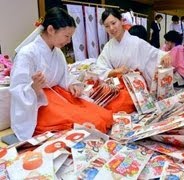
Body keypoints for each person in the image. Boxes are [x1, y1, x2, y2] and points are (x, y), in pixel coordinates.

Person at [10, 7, 113, 141]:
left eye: (70, 37)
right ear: (51, 30)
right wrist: (34, 88)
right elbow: (17, 90)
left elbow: (64, 77)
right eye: (66, 36)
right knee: (91, 123)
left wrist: (72, 85)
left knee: (102, 115)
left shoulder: (57, 52)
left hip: (58, 96)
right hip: (39, 104)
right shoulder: (27, 54)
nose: (68, 41)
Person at [95, 8, 171, 113]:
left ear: (121, 21)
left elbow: (153, 55)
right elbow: (99, 68)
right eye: (107, 26)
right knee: (100, 99)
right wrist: (115, 71)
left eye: (113, 23)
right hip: (117, 84)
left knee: (117, 105)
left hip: (136, 86)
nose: (111, 28)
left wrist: (164, 56)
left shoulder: (136, 42)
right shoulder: (108, 46)